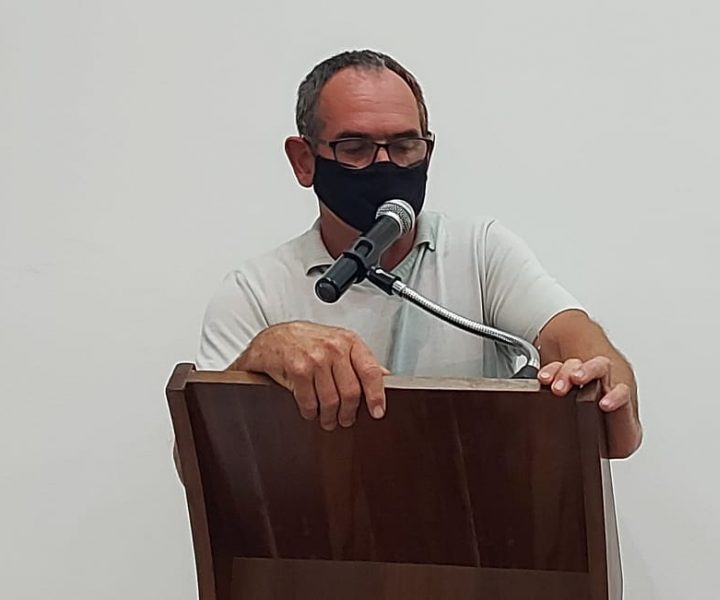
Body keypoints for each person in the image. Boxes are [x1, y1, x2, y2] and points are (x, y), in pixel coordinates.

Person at [195, 50, 642, 458]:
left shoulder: (480, 251)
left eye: (405, 147)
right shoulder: (254, 291)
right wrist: (257, 357)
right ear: (304, 161)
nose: (386, 165)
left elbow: (573, 337)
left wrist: (598, 380)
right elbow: (202, 461)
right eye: (356, 149)